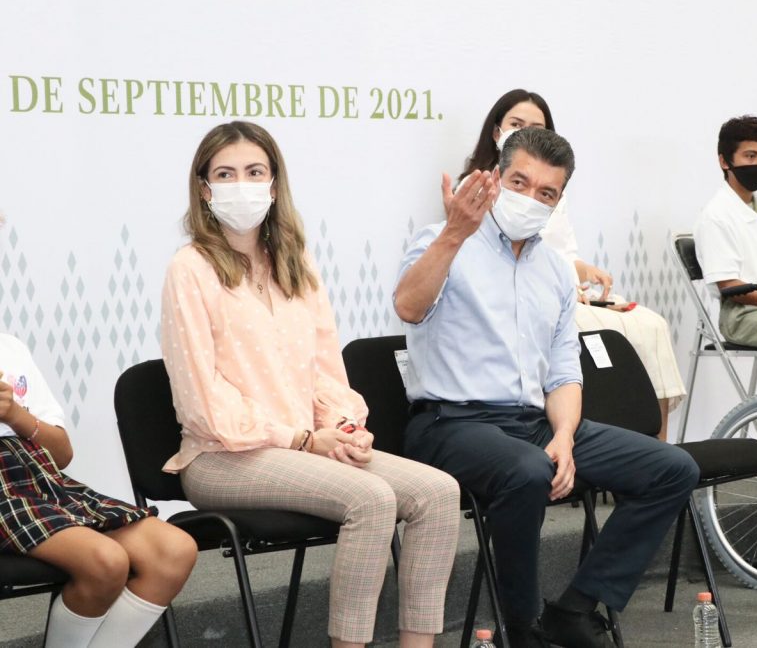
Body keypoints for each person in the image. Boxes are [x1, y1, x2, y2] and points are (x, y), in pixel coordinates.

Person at [160, 121, 460, 648]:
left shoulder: (297, 265)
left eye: (255, 172)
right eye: (225, 174)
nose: (242, 184)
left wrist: (343, 428)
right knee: (370, 500)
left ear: (274, 184)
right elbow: (202, 400)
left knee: (439, 492)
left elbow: (326, 370)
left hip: (307, 447)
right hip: (221, 456)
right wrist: (302, 440)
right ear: (204, 188)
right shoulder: (191, 268)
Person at [396, 127, 699, 647]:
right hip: (451, 424)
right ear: (494, 179)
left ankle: (575, 609)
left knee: (671, 468)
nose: (530, 198)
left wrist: (563, 435)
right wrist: (454, 233)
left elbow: (564, 372)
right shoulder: (441, 238)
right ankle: (523, 628)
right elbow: (408, 306)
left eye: (546, 193)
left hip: (532, 425)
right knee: (527, 470)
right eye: (519, 182)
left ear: (559, 201)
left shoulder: (556, 272)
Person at [0, 214, 197, 648]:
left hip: (36, 478)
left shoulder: (9, 346)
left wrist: (16, 415)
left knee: (174, 550)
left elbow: (61, 455)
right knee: (105, 561)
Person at [455, 89, 685, 440]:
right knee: (608, 331)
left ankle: (659, 441)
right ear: (496, 130)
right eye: (516, 124)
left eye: (536, 126)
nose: (523, 132)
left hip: (564, 286)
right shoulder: (478, 185)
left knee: (650, 325)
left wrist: (582, 272)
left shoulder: (553, 189)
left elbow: (562, 253)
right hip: (526, 297)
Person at [693, 115, 757, 348]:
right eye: (750, 156)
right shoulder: (716, 216)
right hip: (743, 317)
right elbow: (729, 287)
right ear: (725, 162)